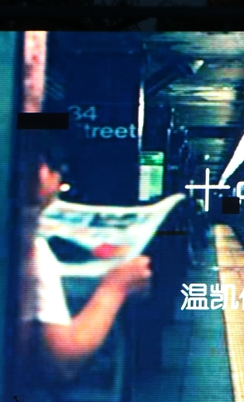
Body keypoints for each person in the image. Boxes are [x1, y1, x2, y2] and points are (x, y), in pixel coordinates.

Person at [23, 159, 152, 374]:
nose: (59, 182)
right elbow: (61, 362)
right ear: (42, 172)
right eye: (57, 170)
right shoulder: (32, 249)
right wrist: (116, 288)